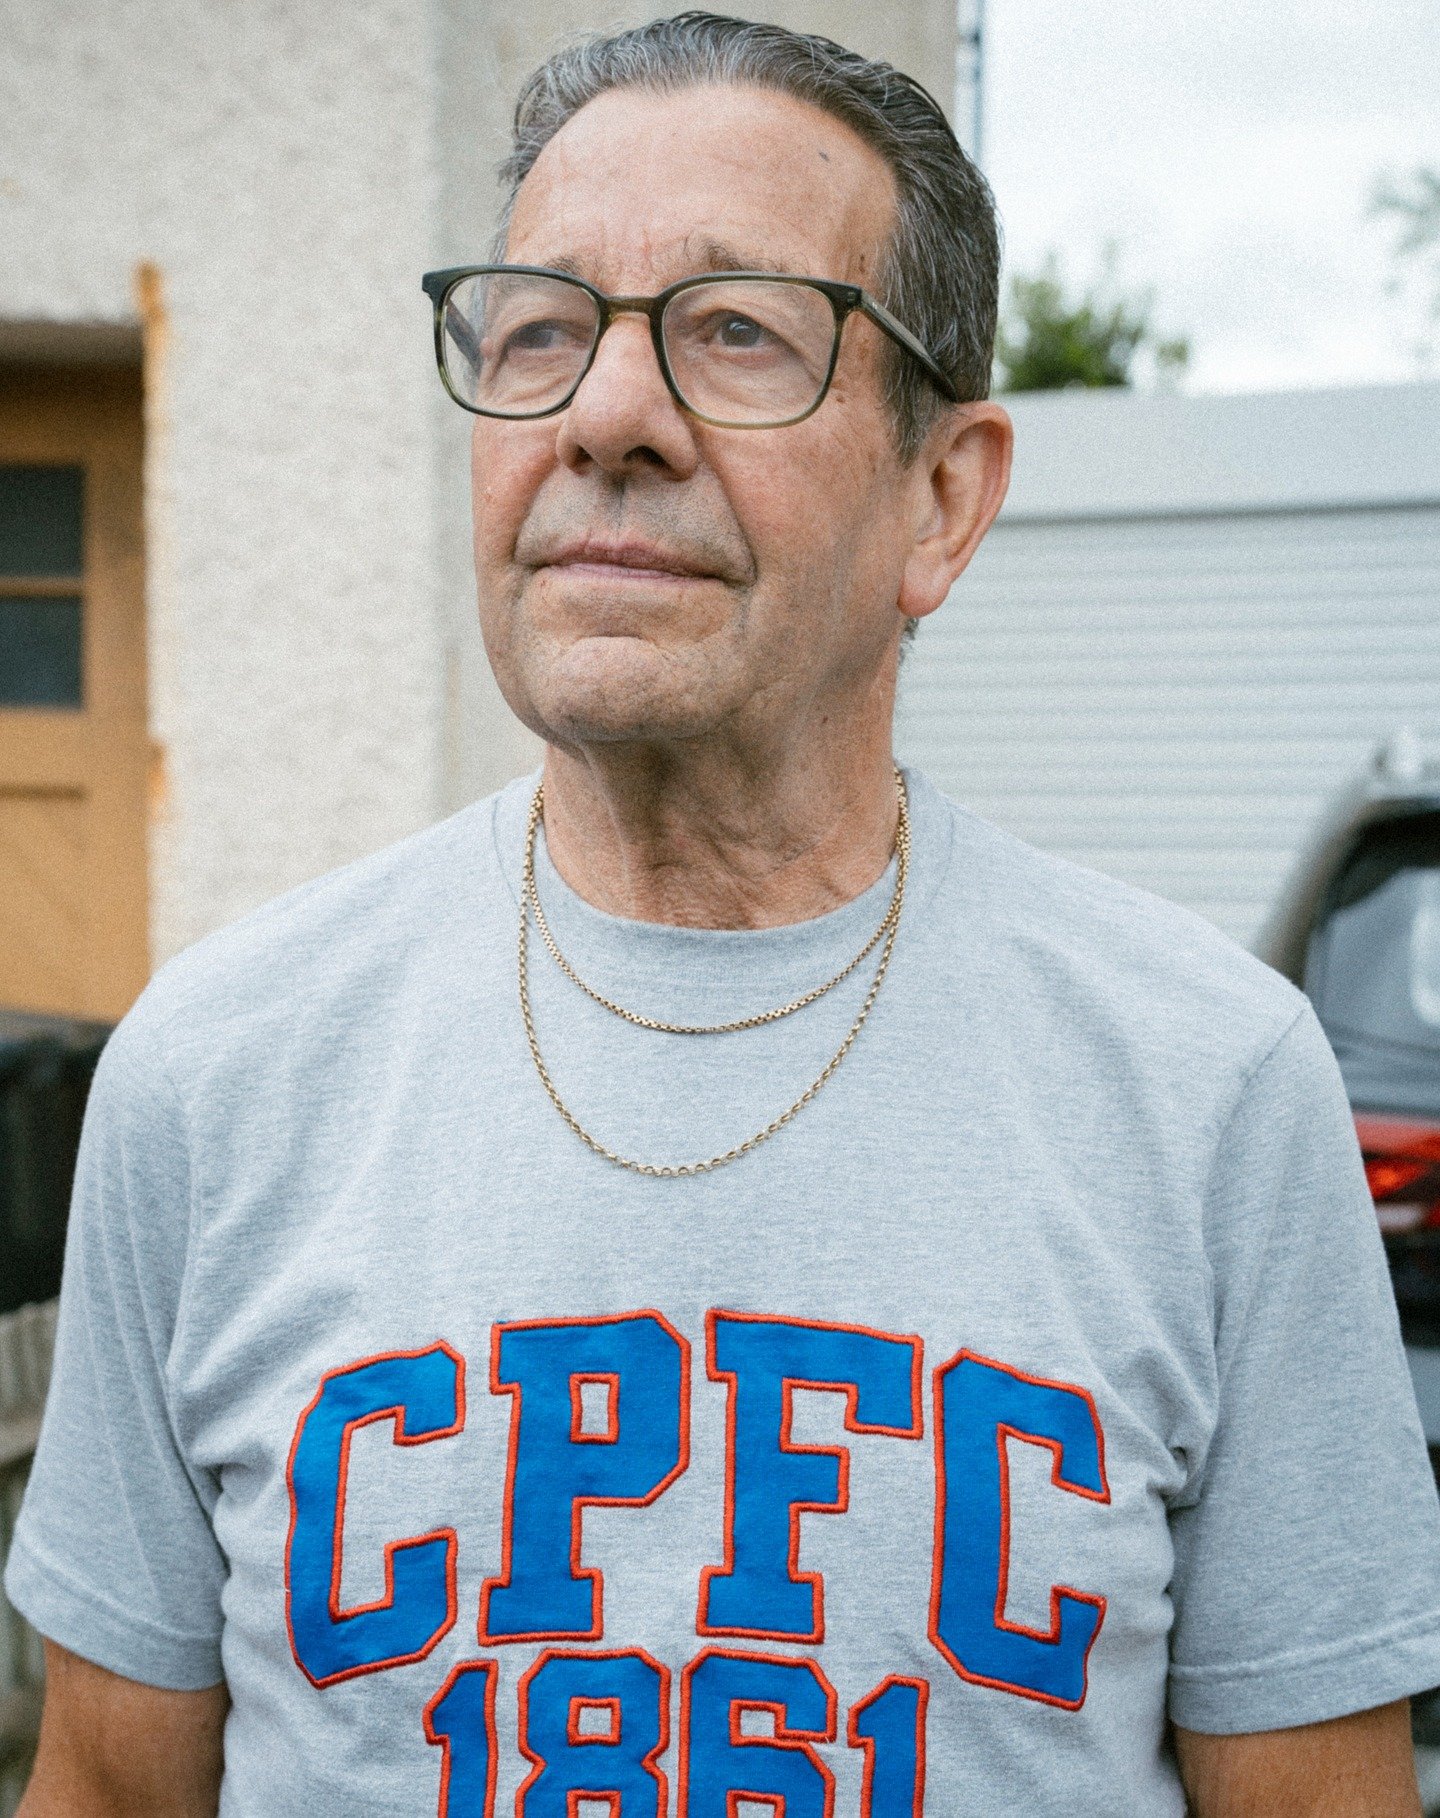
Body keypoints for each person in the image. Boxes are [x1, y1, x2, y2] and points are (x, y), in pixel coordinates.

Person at [10, 13, 1440, 1815]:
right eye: (538, 327)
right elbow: (111, 1788)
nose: (607, 414)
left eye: (739, 332)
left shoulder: (1209, 1086)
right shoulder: (214, 1074)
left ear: (944, 498)